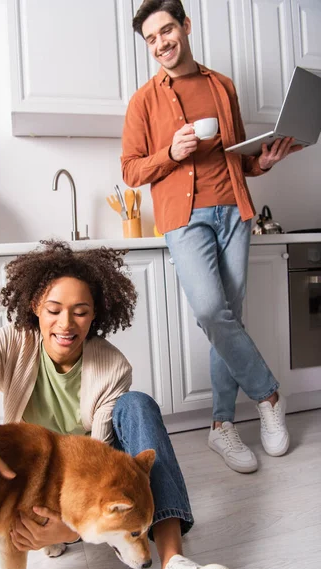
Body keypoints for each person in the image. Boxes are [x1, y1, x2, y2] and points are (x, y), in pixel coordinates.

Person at [0, 240, 242, 569]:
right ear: (35, 307)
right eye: (54, 309)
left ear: (95, 316)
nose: (66, 324)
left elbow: (102, 463)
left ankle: (176, 565)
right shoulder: (13, 344)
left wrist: (69, 531)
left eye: (80, 311)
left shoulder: (112, 366)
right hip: (38, 484)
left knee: (137, 404)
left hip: (88, 481)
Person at [122, 0, 301, 477]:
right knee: (209, 311)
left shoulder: (222, 85)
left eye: (166, 31)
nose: (160, 43)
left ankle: (222, 426)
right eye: (151, 39)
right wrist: (170, 152)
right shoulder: (143, 101)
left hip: (234, 213)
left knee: (227, 318)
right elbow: (131, 169)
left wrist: (263, 163)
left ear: (185, 26)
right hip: (185, 218)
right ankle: (268, 394)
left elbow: (238, 158)